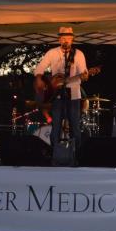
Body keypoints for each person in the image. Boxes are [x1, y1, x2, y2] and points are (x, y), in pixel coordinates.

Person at [34, 26, 87, 161]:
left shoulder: (79, 54)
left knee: (75, 125)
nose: (66, 41)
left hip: (74, 94)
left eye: (68, 39)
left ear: (72, 39)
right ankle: (54, 154)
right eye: (63, 39)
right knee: (56, 125)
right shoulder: (52, 53)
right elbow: (39, 68)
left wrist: (86, 75)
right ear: (59, 39)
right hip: (56, 95)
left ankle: (77, 155)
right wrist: (40, 79)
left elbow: (84, 73)